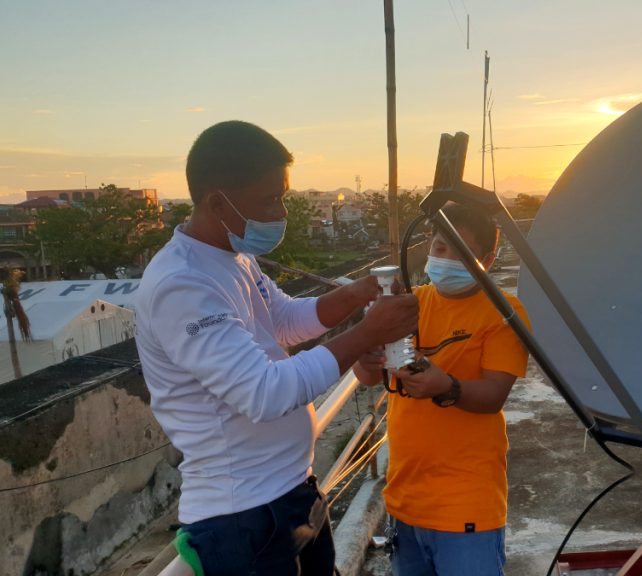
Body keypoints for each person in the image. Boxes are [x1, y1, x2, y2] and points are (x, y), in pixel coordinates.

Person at [134, 120, 419, 575]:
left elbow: (283, 322)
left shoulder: (233, 257)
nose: (281, 211)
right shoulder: (181, 284)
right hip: (243, 519)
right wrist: (366, 334)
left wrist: (352, 296)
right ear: (217, 202)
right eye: (271, 199)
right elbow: (262, 394)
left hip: (291, 495)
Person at [354, 205, 530, 576]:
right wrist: (367, 354)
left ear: (487, 258)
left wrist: (446, 386)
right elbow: (367, 376)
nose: (442, 258)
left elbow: (494, 395)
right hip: (405, 499)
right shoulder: (410, 305)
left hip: (466, 503)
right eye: (438, 247)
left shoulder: (503, 312)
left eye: (457, 251)